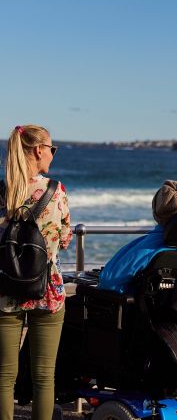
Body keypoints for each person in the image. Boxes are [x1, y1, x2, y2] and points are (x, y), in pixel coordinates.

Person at [0, 125, 72, 420]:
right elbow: (65, 238)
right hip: (47, 288)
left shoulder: (2, 192)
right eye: (52, 149)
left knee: (4, 376)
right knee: (44, 377)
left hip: (5, 287)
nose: (53, 156)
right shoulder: (55, 192)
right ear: (39, 150)